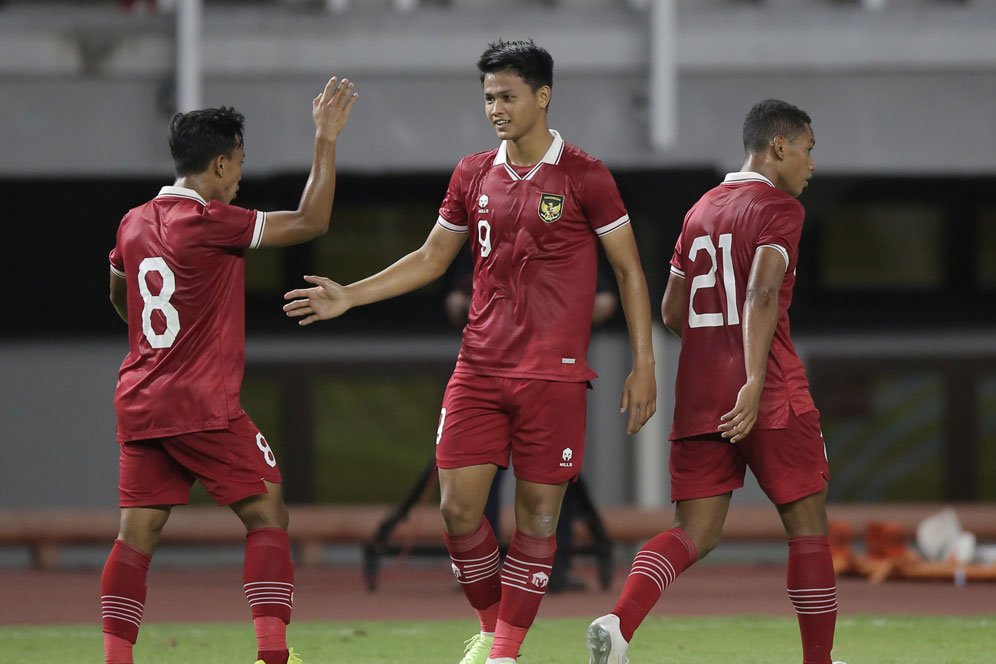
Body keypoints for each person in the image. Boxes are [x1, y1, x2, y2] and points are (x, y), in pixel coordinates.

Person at [283, 39, 656, 664]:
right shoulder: (472, 173)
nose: (496, 109)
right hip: (479, 368)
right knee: (457, 510)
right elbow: (432, 258)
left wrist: (644, 364)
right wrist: (349, 295)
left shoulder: (585, 176)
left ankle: (502, 653)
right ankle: (492, 630)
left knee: (538, 520)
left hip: (554, 377)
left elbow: (629, 273)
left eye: (508, 96)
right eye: (488, 97)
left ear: (543, 96)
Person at [102, 77, 357, 664]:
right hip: (200, 403)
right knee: (267, 512)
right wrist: (325, 139)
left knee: (136, 535)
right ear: (218, 164)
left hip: (140, 397)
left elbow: (120, 292)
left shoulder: (133, 222)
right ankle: (273, 657)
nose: (239, 176)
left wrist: (156, 341)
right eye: (238, 164)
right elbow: (311, 220)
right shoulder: (212, 220)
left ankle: (116, 660)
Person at [587, 99, 844, 664]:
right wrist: (752, 377)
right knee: (807, 527)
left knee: (693, 532)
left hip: (701, 394)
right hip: (769, 391)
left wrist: (717, 353)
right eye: (808, 149)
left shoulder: (699, 211)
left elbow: (673, 310)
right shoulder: (780, 210)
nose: (811, 164)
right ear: (779, 146)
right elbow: (761, 292)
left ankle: (619, 623)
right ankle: (818, 662)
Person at [446, 246, 619, 593]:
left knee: (552, 484)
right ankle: (485, 572)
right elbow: (453, 298)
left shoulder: (562, 238)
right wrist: (483, 310)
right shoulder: (484, 232)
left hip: (550, 372)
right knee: (471, 489)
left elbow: (605, 299)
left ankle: (555, 566)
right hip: (488, 369)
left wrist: (552, 314)